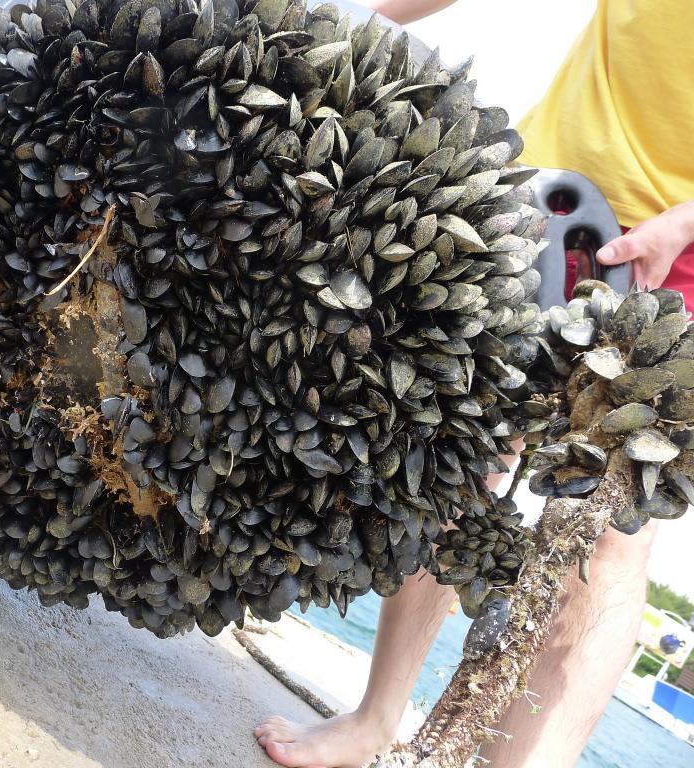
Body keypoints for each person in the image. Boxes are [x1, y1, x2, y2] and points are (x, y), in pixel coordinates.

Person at [254, 0, 694, 766]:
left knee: (608, 531)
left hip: (678, 255)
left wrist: (686, 224)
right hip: (551, 193)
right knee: (462, 453)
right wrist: (325, 25)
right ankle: (377, 716)